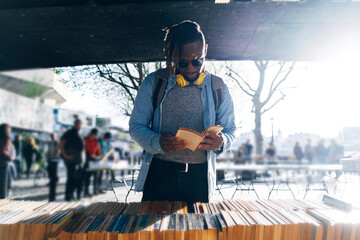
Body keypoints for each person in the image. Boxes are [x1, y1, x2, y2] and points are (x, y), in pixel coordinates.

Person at [129, 20, 236, 204]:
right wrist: (158, 141)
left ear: (205, 50)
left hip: (200, 178)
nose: (191, 69)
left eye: (197, 61)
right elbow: (136, 126)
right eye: (182, 63)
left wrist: (221, 142)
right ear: (171, 56)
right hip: (159, 174)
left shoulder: (218, 87)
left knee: (198, 231)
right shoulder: (154, 82)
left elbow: (231, 130)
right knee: (155, 233)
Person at [59, 119, 85, 201]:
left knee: (78, 179)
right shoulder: (69, 133)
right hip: (71, 161)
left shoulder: (79, 134)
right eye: (78, 125)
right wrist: (65, 155)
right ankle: (68, 196)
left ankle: (74, 195)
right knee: (71, 178)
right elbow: (61, 144)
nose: (79, 126)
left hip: (79, 160)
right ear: (75, 124)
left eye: (80, 125)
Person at [83, 128, 103, 196]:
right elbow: (82, 150)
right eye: (95, 135)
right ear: (92, 134)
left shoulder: (95, 141)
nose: (96, 136)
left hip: (94, 161)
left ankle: (95, 191)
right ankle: (86, 192)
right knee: (87, 177)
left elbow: (98, 151)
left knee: (96, 176)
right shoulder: (85, 140)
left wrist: (102, 156)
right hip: (86, 161)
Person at [47, 133, 61, 202]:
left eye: (53, 136)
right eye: (51, 136)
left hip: (55, 161)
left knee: (53, 180)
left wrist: (51, 156)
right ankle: (51, 197)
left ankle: (53, 197)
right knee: (51, 178)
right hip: (50, 161)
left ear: (55, 136)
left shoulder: (57, 142)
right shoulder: (50, 143)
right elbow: (49, 150)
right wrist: (47, 154)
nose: (52, 137)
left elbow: (58, 151)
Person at [0, 123, 12, 198]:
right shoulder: (6, 139)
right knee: (4, 186)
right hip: (4, 163)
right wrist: (9, 158)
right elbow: (2, 151)